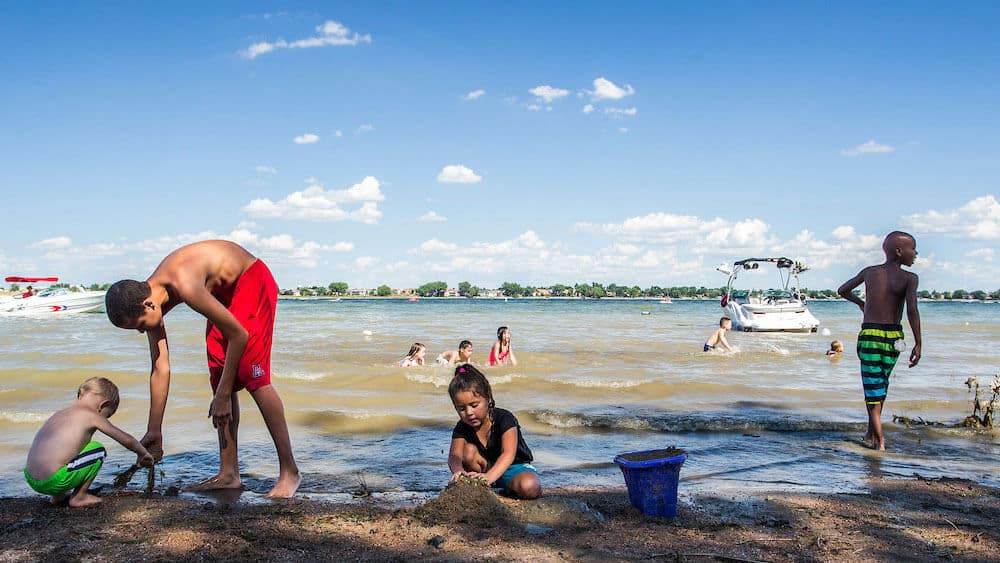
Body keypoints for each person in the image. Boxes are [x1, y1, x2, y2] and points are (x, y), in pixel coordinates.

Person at [104, 240, 300, 497]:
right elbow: (160, 367)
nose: (142, 331)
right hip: (223, 294)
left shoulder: (184, 284)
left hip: (251, 279)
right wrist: (155, 429)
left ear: (148, 305)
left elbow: (239, 335)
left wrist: (222, 396)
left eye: (139, 325)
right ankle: (228, 474)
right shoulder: (149, 299)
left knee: (252, 373)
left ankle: (290, 471)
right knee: (219, 371)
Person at [838, 231, 922, 451]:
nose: (915, 253)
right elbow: (912, 311)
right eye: (913, 249)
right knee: (881, 385)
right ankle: (872, 434)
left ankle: (879, 442)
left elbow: (842, 290)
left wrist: (860, 303)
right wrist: (918, 343)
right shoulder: (909, 279)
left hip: (871, 336)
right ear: (898, 251)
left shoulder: (870, 272)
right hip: (895, 338)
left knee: (872, 389)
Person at [24, 377, 154, 508]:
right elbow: (126, 440)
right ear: (103, 405)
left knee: (71, 450)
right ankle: (79, 497)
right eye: (107, 415)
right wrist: (143, 453)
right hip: (54, 480)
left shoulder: (59, 414)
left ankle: (57, 497)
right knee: (97, 450)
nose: (105, 418)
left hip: (31, 478)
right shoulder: (92, 415)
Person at [447, 364, 541, 499]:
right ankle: (480, 487)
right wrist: (459, 473)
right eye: (461, 409)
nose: (469, 413)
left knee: (530, 487)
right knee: (467, 451)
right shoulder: (462, 426)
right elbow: (454, 457)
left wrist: (489, 477)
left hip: (513, 468)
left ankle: (505, 488)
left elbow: (508, 454)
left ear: (488, 398)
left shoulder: (505, 418)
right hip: (483, 471)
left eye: (474, 405)